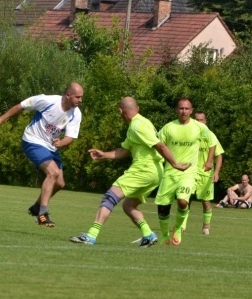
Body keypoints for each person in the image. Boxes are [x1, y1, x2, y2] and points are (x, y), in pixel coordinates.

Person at [69, 97, 189, 247]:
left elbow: (160, 146)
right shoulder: (140, 123)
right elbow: (125, 150)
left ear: (120, 111)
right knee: (128, 206)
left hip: (144, 169)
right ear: (137, 108)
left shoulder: (137, 126)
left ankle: (91, 236)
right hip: (154, 172)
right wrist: (104, 155)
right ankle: (148, 235)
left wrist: (175, 163)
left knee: (110, 197)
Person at [0, 82, 84, 227]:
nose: (80, 100)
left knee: (60, 183)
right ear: (68, 95)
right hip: (32, 141)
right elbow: (22, 105)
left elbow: (70, 137)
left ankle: (36, 207)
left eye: (81, 97)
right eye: (78, 97)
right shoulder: (47, 101)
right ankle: (42, 214)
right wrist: (1, 119)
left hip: (50, 147)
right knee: (53, 173)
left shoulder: (76, 113)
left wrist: (61, 142)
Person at [155, 97, 211, 245]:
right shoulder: (168, 128)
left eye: (187, 108)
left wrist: (209, 160)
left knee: (182, 201)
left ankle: (178, 228)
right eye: (181, 108)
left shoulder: (200, 128)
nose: (184, 111)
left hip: (188, 173)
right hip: (169, 172)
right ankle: (165, 235)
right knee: (163, 207)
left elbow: (212, 143)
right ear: (176, 110)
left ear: (191, 111)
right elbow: (158, 146)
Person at [192, 111, 224, 235]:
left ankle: (206, 227)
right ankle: (181, 226)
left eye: (202, 120)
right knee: (185, 199)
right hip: (190, 172)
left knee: (205, 202)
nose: (199, 122)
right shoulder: (189, 134)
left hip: (205, 173)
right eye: (197, 120)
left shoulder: (210, 135)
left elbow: (219, 155)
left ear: (205, 121)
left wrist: (216, 172)